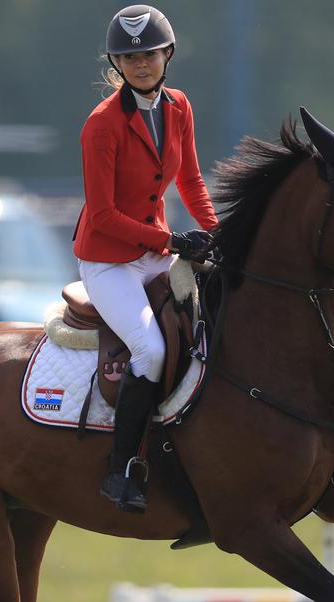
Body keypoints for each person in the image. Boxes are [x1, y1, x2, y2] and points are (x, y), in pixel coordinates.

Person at [73, 4, 218, 514]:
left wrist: (217, 236)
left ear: (167, 55)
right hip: (109, 260)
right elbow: (105, 215)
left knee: (217, 310)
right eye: (130, 56)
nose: (141, 63)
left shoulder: (179, 106)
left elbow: (191, 181)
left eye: (150, 53)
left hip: (155, 249)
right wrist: (175, 243)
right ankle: (121, 469)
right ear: (116, 62)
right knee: (152, 352)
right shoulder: (101, 125)